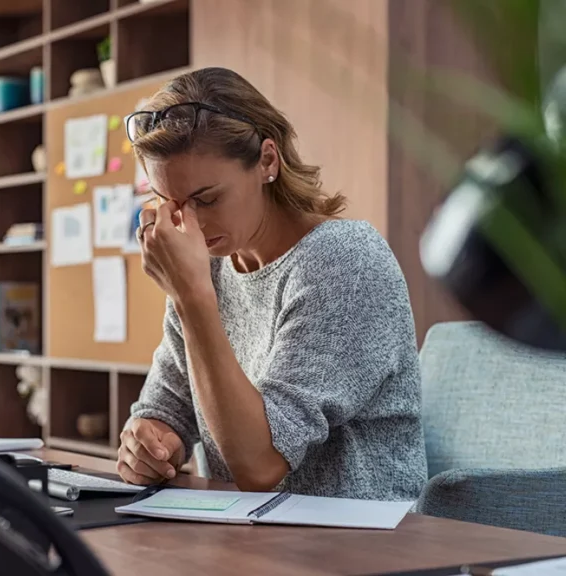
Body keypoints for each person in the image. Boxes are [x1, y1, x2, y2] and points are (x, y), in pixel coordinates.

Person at [118, 67, 427, 500]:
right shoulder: (209, 268)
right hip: (249, 540)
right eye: (171, 202)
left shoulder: (344, 261)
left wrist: (191, 296)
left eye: (207, 199)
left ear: (267, 160)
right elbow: (168, 405)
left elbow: (259, 463)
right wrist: (149, 441)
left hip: (360, 548)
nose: (190, 223)